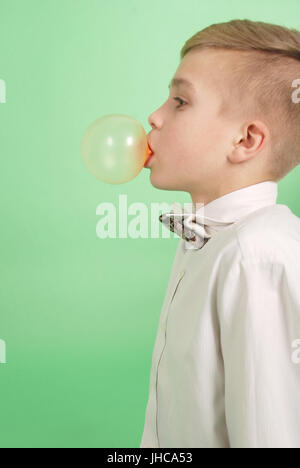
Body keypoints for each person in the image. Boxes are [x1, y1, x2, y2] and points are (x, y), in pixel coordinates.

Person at [140, 18, 300, 448]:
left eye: (180, 101)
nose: (154, 116)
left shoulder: (255, 256)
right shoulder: (210, 239)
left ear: (246, 140)